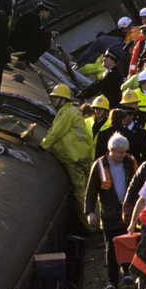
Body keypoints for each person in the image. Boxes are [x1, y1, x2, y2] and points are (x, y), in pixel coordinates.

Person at [85, 133, 138, 289]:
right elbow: (91, 190)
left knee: (128, 243)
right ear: (111, 150)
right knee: (111, 248)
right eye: (120, 152)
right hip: (109, 214)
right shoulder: (100, 165)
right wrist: (90, 212)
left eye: (124, 152)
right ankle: (113, 281)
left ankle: (127, 271)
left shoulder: (130, 162)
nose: (123, 155)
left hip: (127, 212)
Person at [39, 84, 93, 226]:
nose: (53, 101)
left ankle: (92, 227)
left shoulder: (66, 113)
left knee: (81, 193)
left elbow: (56, 133)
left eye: (56, 98)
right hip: (82, 155)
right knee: (89, 191)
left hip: (74, 157)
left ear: (63, 99)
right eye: (53, 98)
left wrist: (42, 146)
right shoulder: (70, 111)